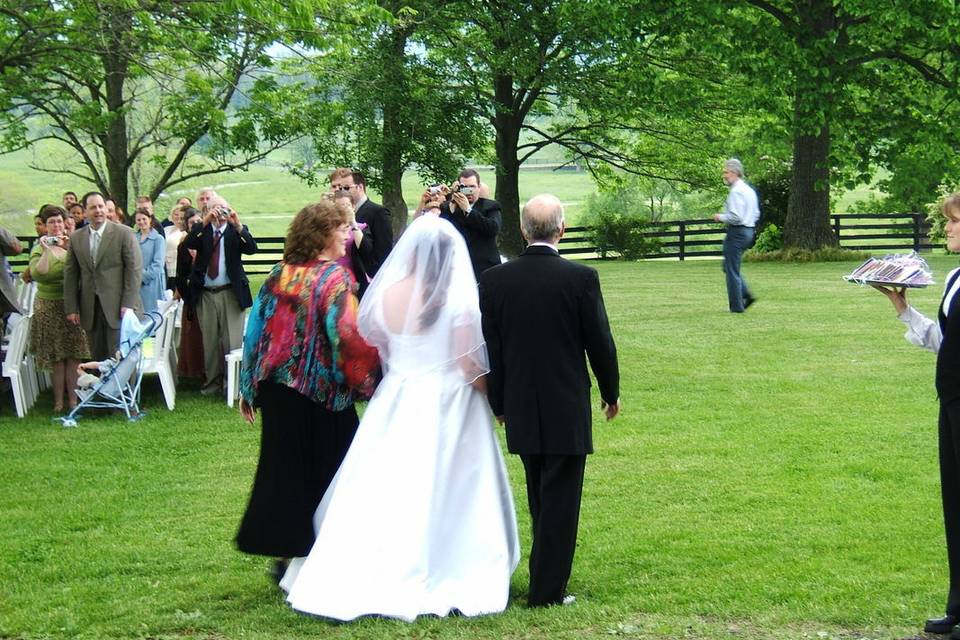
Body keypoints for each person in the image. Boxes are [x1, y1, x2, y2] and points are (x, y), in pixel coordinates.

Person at [283, 214, 519, 621]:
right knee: (449, 485)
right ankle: (449, 561)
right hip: (450, 401)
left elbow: (378, 348)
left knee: (384, 481)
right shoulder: (456, 298)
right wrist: (495, 397)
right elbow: (467, 365)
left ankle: (367, 559)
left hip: (397, 396)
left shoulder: (388, 292)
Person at [479, 194, 620, 608]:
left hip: (521, 400)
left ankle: (545, 575)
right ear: (562, 229)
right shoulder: (580, 278)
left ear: (523, 231)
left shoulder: (494, 280)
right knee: (560, 498)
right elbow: (600, 343)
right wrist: (610, 392)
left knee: (541, 491)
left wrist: (499, 403)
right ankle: (547, 591)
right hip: (565, 402)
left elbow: (494, 348)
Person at [236, 199, 380, 582]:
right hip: (322, 394)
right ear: (322, 235)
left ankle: (288, 554)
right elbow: (347, 337)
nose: (350, 235)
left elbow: (255, 332)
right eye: (343, 228)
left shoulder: (277, 274)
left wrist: (248, 386)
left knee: (285, 472)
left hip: (277, 391)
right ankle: (324, 553)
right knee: (335, 472)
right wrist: (370, 380)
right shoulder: (334, 280)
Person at [874, 193, 960, 638]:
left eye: (954, 222)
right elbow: (946, 343)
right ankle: (959, 605)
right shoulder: (955, 280)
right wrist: (903, 309)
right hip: (951, 403)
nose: (947, 228)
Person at [184, 195, 257, 396]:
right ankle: (212, 383)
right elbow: (188, 244)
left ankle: (232, 384)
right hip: (206, 294)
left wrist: (238, 225)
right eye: (217, 209)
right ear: (208, 210)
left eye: (225, 208)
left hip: (230, 292)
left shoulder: (236, 230)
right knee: (209, 341)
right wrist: (205, 222)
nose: (221, 213)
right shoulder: (203, 231)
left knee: (232, 341)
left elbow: (252, 248)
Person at [64, 192, 143, 361]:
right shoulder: (76, 238)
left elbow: (134, 270)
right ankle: (101, 387)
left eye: (101, 206)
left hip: (119, 306)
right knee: (97, 356)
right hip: (90, 307)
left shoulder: (124, 233)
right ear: (85, 212)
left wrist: (128, 303)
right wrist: (71, 307)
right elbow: (71, 274)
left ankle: (123, 387)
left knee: (120, 355)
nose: (98, 211)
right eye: (93, 207)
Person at [27, 205, 89, 412]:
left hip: (72, 304)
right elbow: (39, 274)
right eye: (52, 222)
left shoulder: (72, 244)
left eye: (59, 222)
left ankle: (74, 399)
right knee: (56, 356)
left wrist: (66, 248)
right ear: (45, 226)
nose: (56, 226)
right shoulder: (38, 248)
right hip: (48, 306)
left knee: (73, 354)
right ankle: (58, 402)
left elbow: (85, 270)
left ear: (65, 224)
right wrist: (47, 251)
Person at [712, 158, 759, 313]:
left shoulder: (736, 191)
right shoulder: (749, 190)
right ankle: (746, 294)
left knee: (731, 269)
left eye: (726, 172)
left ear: (734, 172)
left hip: (737, 232)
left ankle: (737, 306)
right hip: (749, 231)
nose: (724, 175)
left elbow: (736, 217)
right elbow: (756, 213)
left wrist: (721, 217)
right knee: (728, 266)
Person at [438, 168, 502, 280]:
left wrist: (468, 210)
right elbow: (441, 232)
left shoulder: (490, 206)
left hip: (485, 269)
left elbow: (493, 229)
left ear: (479, 187)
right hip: (457, 269)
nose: (469, 191)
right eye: (465, 187)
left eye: (472, 187)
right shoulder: (448, 207)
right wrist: (452, 204)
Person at [329, 168, 392, 278]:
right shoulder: (339, 214)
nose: (342, 191)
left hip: (369, 278)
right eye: (340, 188)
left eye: (347, 188)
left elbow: (384, 253)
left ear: (360, 187)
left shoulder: (378, 212)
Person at [174, 208, 205, 380]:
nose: (195, 225)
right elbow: (180, 274)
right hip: (190, 296)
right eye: (191, 222)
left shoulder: (208, 243)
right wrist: (187, 295)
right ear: (186, 225)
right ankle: (194, 371)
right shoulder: (183, 246)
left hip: (206, 294)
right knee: (192, 334)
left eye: (198, 222)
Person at [331, 192, 371, 297]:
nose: (344, 209)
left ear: (353, 207)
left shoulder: (361, 228)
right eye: (340, 206)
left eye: (347, 205)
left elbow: (366, 251)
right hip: (333, 276)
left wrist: (353, 224)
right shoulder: (329, 230)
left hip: (355, 277)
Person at [134, 208, 166, 314]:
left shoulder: (158, 239)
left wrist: (141, 277)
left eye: (144, 219)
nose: (141, 222)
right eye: (138, 220)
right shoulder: (133, 238)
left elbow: (158, 264)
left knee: (151, 316)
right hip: (134, 284)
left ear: (150, 219)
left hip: (151, 284)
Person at [164, 205, 186, 289]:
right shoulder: (166, 229)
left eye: (181, 216)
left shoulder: (184, 231)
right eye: (175, 214)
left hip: (176, 268)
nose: (178, 217)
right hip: (164, 266)